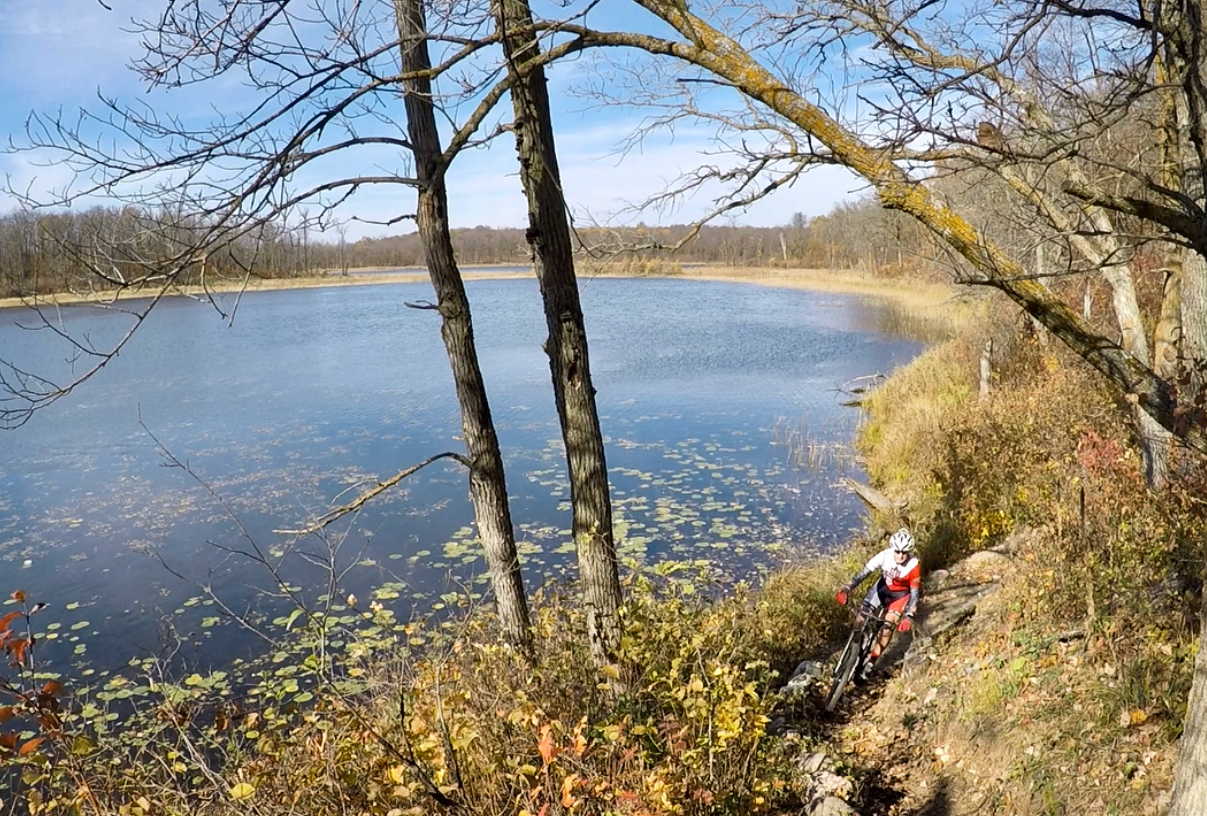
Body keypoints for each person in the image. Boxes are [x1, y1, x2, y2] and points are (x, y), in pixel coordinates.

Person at [835, 527, 920, 679]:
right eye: (897, 551)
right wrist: (846, 589)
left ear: (909, 552)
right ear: (892, 549)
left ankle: (871, 662)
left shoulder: (913, 565)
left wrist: (908, 616)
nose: (900, 555)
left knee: (887, 629)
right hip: (881, 590)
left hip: (899, 597)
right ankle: (853, 648)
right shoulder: (884, 556)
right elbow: (862, 574)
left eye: (904, 552)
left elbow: (914, 594)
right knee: (860, 619)